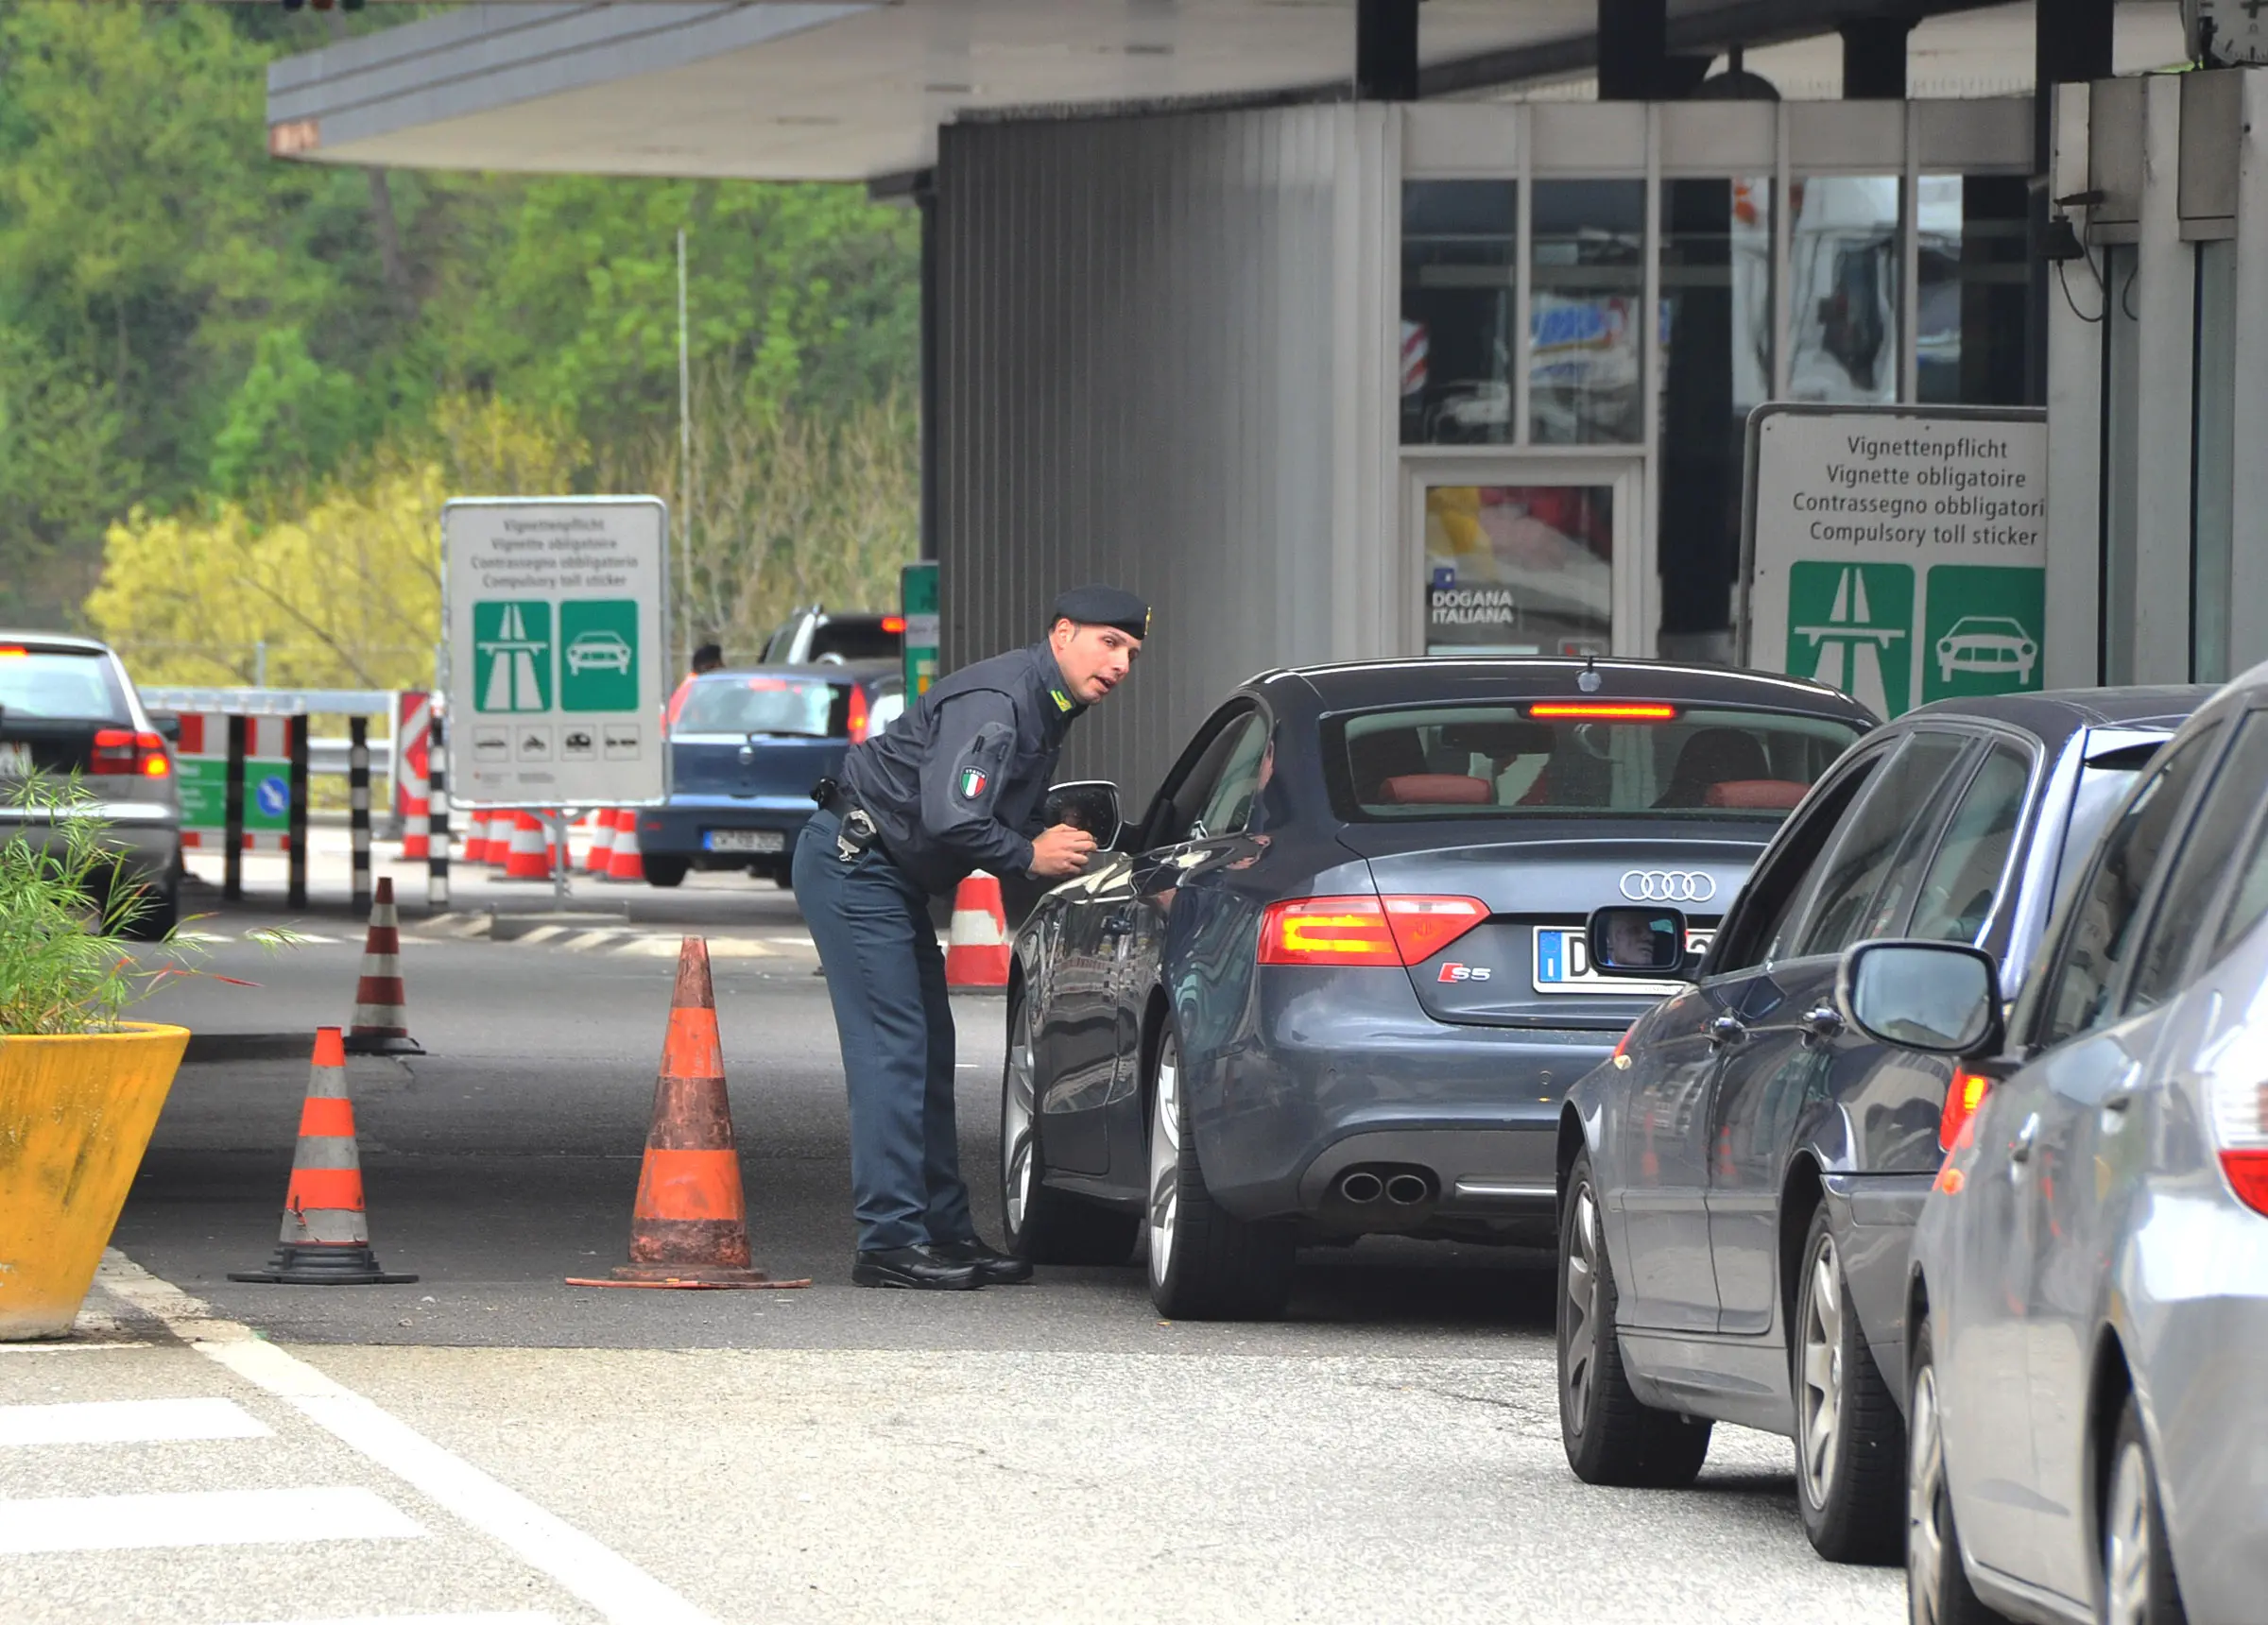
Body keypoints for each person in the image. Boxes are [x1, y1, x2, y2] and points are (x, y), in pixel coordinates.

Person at [793, 586, 1149, 1290]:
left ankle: (944, 1233)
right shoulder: (1002, 700)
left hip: (887, 877)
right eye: (1109, 643)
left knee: (927, 1049)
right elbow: (953, 813)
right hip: (855, 864)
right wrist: (1028, 855)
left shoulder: (1045, 705)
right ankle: (890, 1242)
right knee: (893, 1051)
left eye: (1132, 653)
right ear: (1062, 632)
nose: (1121, 665)